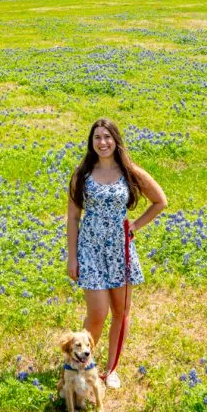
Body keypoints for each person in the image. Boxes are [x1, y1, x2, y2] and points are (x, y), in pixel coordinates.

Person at [66, 117, 168, 388]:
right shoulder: (82, 174)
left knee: (121, 312)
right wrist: (72, 257)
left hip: (120, 249)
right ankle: (81, 364)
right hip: (90, 248)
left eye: (107, 137)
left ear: (116, 140)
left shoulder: (129, 171)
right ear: (91, 142)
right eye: (97, 137)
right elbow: (73, 218)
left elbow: (160, 201)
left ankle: (111, 369)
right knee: (98, 313)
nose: (102, 142)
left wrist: (135, 225)